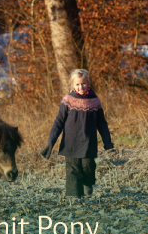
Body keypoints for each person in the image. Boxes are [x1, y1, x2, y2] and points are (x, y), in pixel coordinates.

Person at [41, 69, 114, 198]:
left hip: (88, 142)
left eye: (83, 83)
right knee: (72, 170)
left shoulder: (94, 101)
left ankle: (88, 183)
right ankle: (74, 198)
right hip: (70, 143)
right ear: (72, 85)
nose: (81, 87)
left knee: (88, 166)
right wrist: (51, 142)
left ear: (88, 83)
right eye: (77, 84)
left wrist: (107, 142)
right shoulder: (68, 100)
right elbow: (58, 122)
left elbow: (102, 123)